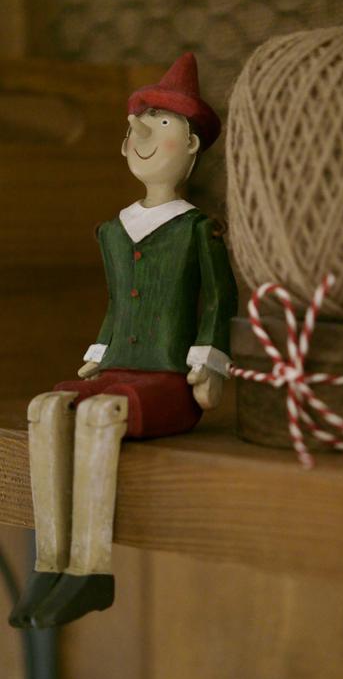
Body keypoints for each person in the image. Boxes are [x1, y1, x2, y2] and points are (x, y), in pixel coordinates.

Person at [9, 52, 237, 628]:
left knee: (96, 416)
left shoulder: (197, 229)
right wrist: (98, 354)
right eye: (138, 125)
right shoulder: (113, 232)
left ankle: (91, 570)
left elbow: (220, 300)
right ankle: (51, 562)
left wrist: (209, 366)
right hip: (116, 368)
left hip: (168, 383)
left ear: (191, 146)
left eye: (161, 123)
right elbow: (117, 302)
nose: (142, 134)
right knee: (46, 408)